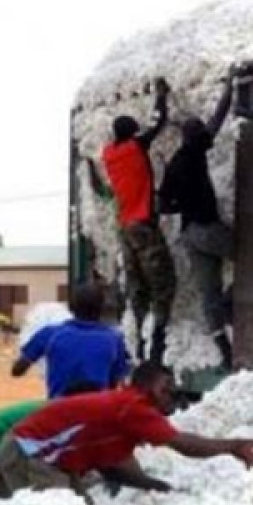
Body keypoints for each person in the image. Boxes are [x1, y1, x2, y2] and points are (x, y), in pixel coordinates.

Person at [0, 361, 253, 502]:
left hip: (46, 458)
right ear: (145, 387)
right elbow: (182, 444)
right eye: (165, 387)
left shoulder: (122, 419)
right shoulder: (132, 406)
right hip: (28, 452)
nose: (170, 394)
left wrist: (155, 487)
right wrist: (233, 446)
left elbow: (111, 469)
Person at [158, 71, 236, 368]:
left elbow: (163, 205)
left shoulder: (176, 161)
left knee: (208, 292)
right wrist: (229, 86)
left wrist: (182, 204)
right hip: (207, 229)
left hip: (189, 233)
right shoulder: (196, 151)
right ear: (198, 137)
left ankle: (223, 345)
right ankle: (235, 305)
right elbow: (218, 118)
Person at [101, 78, 176, 363]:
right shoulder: (135, 148)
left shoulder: (110, 154)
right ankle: (157, 337)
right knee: (163, 281)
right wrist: (160, 96)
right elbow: (158, 123)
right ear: (132, 134)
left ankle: (138, 341)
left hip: (125, 228)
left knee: (137, 285)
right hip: (143, 225)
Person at [12, 283, 130, 399]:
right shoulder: (114, 339)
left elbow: (17, 371)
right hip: (97, 410)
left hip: (59, 408)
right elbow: (115, 381)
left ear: (71, 308)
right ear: (102, 308)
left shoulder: (50, 334)